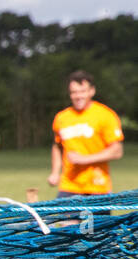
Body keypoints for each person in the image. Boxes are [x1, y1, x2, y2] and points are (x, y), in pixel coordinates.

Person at [48, 70, 123, 198]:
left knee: (98, 220)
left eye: (82, 91)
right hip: (69, 185)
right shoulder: (62, 118)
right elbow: (57, 146)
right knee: (65, 219)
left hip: (97, 186)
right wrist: (55, 172)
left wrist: (84, 159)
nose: (78, 96)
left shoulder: (105, 115)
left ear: (92, 91)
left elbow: (117, 151)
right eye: (74, 92)